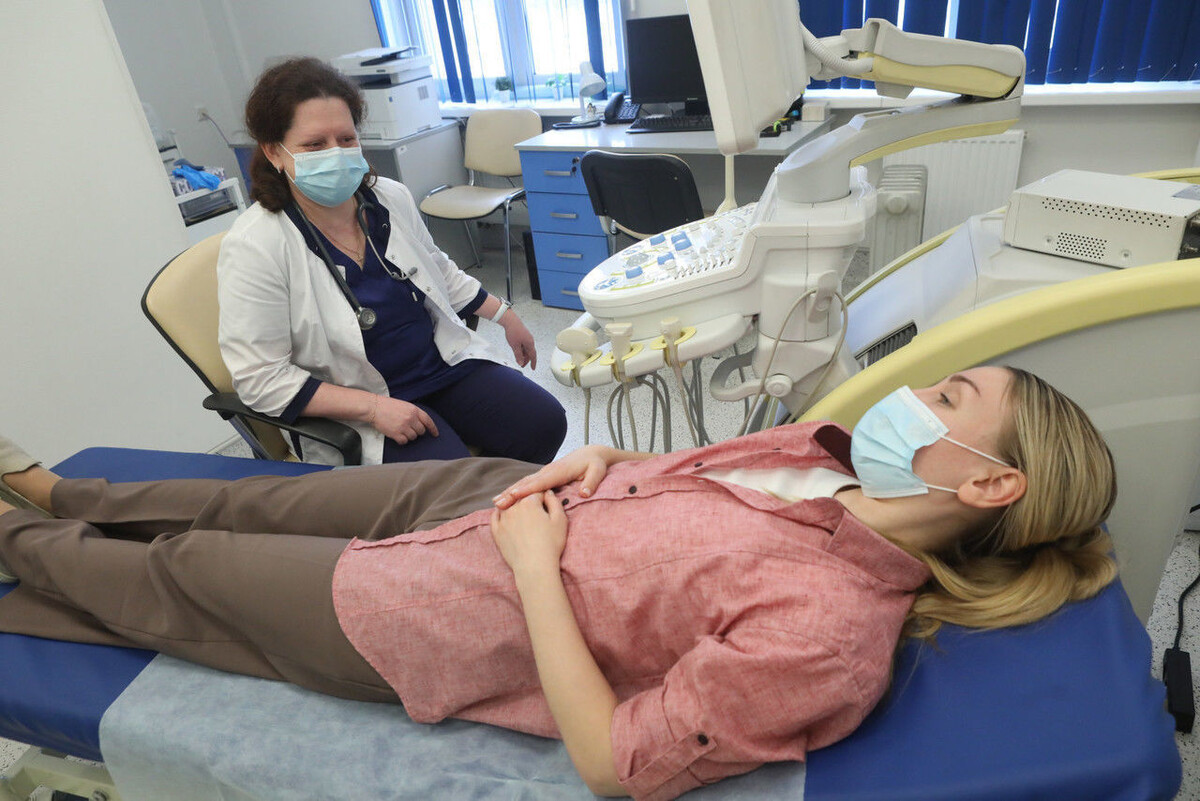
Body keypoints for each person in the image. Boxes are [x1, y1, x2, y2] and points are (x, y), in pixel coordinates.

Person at [0, 367, 1118, 800]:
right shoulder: (826, 454)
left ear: (989, 484)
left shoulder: (828, 631)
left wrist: (537, 570)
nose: (912, 393)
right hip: (491, 493)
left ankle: (19, 543)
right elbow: (696, 477)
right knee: (250, 498)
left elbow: (616, 763)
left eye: (948, 399)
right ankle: (57, 490)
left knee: (185, 572)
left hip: (438, 612)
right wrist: (613, 460)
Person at [218, 57, 566, 465]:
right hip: (358, 399)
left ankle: (495, 491)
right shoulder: (257, 244)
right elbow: (259, 379)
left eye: (346, 139)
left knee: (543, 422)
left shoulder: (388, 198)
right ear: (274, 152)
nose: (336, 153)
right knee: (454, 479)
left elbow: (437, 268)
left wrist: (504, 315)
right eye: (314, 145)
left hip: (438, 366)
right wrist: (372, 408)